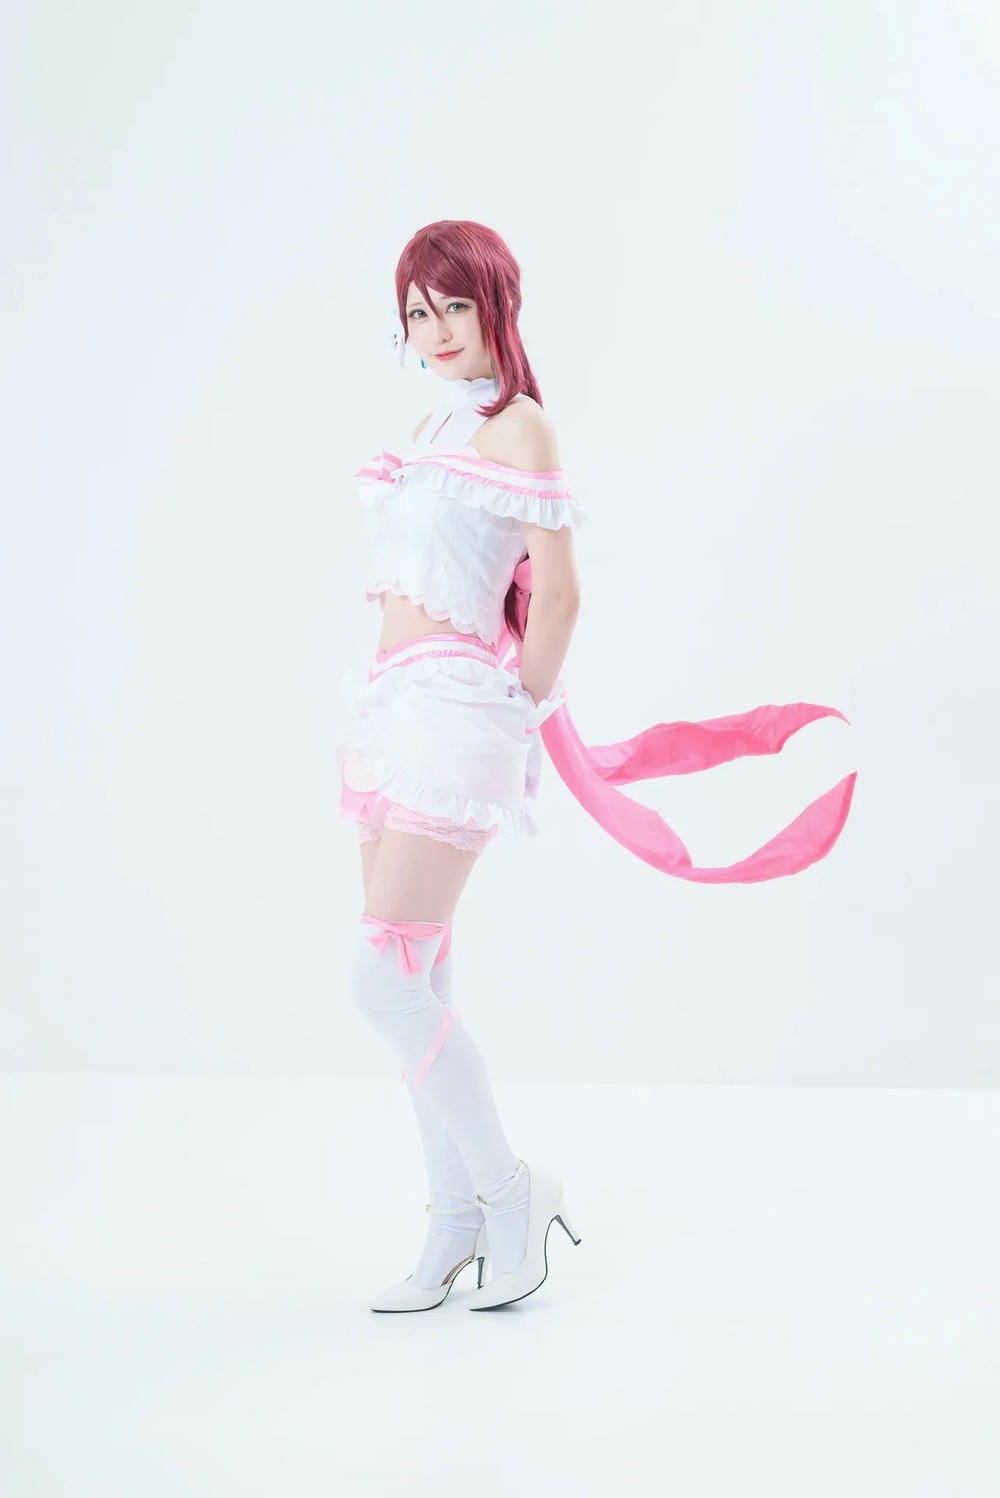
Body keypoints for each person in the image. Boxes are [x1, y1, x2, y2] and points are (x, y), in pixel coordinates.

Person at [335, 220, 857, 1314]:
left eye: (454, 305)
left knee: (382, 975)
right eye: (417, 312)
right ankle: (454, 1220)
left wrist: (513, 705)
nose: (436, 329)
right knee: (420, 978)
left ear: (495, 305)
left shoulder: (521, 425)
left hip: (456, 713)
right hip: (393, 710)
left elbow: (561, 593)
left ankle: (509, 1189)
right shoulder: (436, 420)